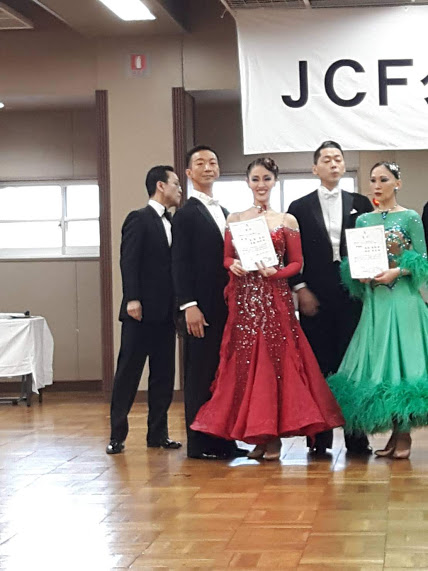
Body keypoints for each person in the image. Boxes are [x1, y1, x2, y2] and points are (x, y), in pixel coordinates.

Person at [191, 158, 344, 460]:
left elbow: (297, 263)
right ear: (247, 183)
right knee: (247, 365)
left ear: (275, 182)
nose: (261, 185)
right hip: (245, 302)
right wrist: (233, 265)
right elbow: (226, 257)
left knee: (274, 365)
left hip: (275, 300)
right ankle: (260, 436)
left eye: (266, 179)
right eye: (255, 179)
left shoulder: (287, 220)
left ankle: (273, 438)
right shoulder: (235, 218)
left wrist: (277, 273)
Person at [328, 161, 428, 459]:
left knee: (405, 362)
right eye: (373, 180)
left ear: (398, 182)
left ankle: (404, 432)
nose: (377, 185)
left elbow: (423, 258)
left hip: (403, 299)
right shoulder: (363, 221)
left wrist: (398, 272)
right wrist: (358, 274)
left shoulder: (410, 217)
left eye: (384, 179)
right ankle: (395, 431)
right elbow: (358, 260)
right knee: (382, 365)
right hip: (376, 301)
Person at [288, 141, 373, 454]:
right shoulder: (298, 207)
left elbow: (371, 244)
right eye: (326, 159)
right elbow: (289, 254)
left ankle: (356, 436)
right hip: (314, 294)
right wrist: (300, 289)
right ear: (315, 168)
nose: (333, 163)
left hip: (353, 294)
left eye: (338, 158)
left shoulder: (361, 203)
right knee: (318, 365)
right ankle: (318, 437)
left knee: (353, 364)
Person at [172, 145, 247, 460]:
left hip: (225, 305)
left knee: (222, 373)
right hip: (200, 308)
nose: (207, 167)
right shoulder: (185, 214)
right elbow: (179, 262)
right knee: (199, 374)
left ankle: (222, 439)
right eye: (200, 163)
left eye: (213, 162)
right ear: (189, 173)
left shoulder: (226, 212)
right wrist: (188, 304)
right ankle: (199, 442)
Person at [106, 165, 182, 454]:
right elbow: (128, 261)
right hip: (140, 312)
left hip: (166, 313)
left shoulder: (172, 222)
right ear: (160, 186)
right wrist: (132, 298)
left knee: (163, 375)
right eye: (175, 183)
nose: (179, 189)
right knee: (128, 373)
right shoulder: (138, 218)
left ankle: (158, 434)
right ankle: (117, 436)